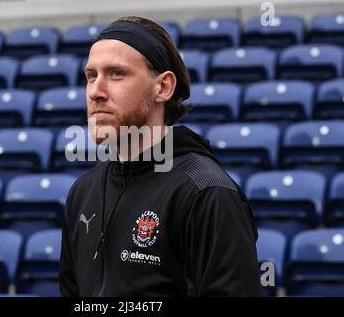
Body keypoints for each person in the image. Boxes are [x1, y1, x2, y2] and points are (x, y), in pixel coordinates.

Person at [59, 16, 263, 296]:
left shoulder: (208, 194)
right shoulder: (82, 193)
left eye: (116, 73)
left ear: (164, 87)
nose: (95, 91)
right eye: (91, 76)